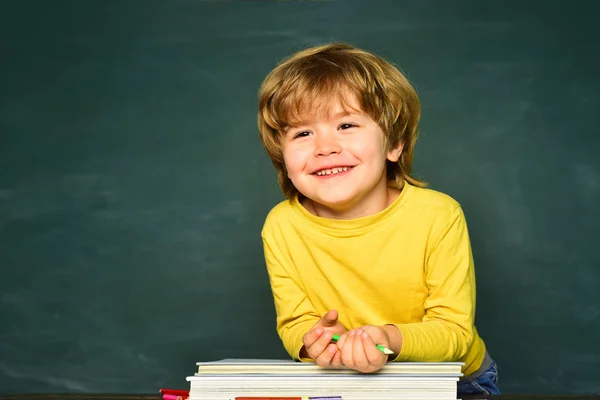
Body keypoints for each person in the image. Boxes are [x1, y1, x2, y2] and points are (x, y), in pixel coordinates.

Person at [256, 42, 499, 395]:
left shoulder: (438, 215)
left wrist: (387, 338)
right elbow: (295, 323)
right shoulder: (282, 225)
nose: (325, 147)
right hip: (345, 381)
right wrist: (313, 343)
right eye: (303, 133)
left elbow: (454, 333)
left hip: (453, 381)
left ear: (394, 144)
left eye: (347, 124)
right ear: (283, 157)